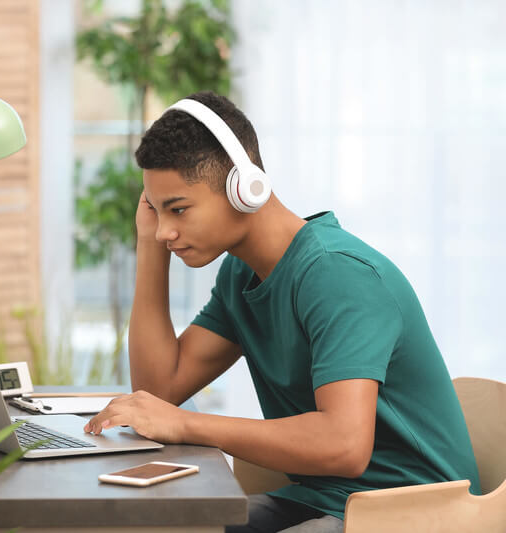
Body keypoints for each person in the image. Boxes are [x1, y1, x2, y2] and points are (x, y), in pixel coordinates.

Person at [83, 91, 480, 533]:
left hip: (412, 510)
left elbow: (345, 446)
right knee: (169, 525)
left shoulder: (337, 275)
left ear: (244, 188)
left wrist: (186, 424)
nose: (166, 230)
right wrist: (149, 246)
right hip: (323, 498)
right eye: (156, 211)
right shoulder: (241, 273)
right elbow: (159, 390)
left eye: (178, 209)